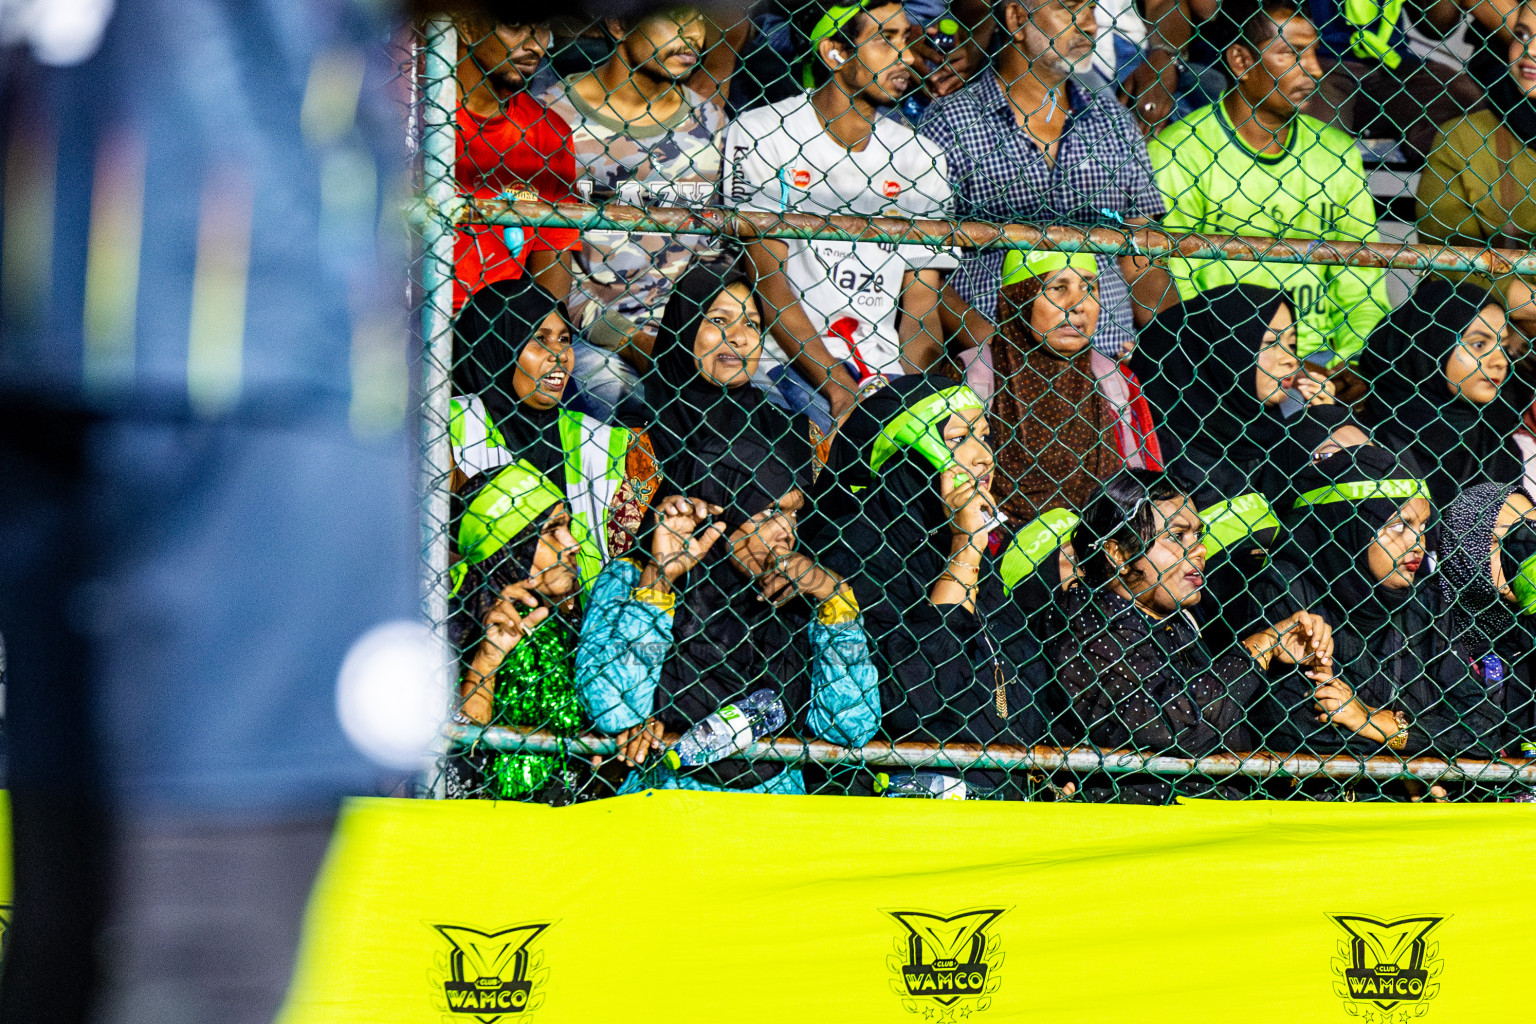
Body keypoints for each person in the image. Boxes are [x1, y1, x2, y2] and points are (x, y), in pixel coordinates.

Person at [583, 265, 857, 791]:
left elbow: (848, 718)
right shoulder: (642, 432)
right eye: (717, 319)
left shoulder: (791, 433)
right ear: (685, 326)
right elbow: (615, 701)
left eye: (752, 323)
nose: (738, 337)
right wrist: (660, 577)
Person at [724, 0, 993, 427]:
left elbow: (920, 303)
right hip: (786, 363)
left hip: (883, 369)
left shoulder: (920, 157)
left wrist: (914, 394)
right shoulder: (762, 133)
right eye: (886, 40)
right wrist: (837, 385)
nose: (907, 57)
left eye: (907, 39)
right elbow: (769, 282)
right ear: (835, 53)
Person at [806, 375, 1045, 798]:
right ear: (905, 456)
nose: (983, 457)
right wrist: (964, 550)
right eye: (957, 440)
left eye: (985, 437)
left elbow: (1025, 688)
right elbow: (914, 698)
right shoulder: (852, 549)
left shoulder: (969, 552)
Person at [1052, 470, 1334, 803]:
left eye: (1198, 535)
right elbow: (1176, 727)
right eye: (1177, 536)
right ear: (1118, 554)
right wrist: (1259, 648)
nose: (1199, 549)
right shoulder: (1089, 622)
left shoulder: (1178, 621)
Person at [918, 0, 1172, 359]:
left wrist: (1168, 346)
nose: (1090, 25)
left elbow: (1143, 261)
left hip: (1111, 359)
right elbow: (924, 273)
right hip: (995, 362)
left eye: (1091, 10)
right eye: (1069, 8)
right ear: (1017, 19)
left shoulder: (1112, 121)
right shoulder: (952, 122)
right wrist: (995, 348)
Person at [1148, 0, 1391, 373]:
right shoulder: (1179, 152)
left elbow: (1363, 285)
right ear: (1241, 62)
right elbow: (1178, 287)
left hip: (1322, 358)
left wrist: (1352, 363)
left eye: (1314, 52)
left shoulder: (1336, 153)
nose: (1313, 69)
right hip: (1223, 359)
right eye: (1291, 53)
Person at [538, 7, 733, 422]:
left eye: (698, 17)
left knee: (769, 395)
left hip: (694, 327)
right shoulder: (552, 117)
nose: (693, 34)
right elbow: (546, 264)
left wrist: (708, 330)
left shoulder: (709, 120)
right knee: (615, 391)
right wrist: (628, 340)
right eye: (673, 15)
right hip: (596, 334)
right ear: (618, 21)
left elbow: (715, 251)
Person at [1256, 447, 1475, 778]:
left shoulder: (1426, 603)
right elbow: (1297, 729)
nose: (1419, 543)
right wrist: (1426, 745)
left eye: (1424, 525)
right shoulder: (1286, 586)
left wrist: (1375, 722)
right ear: (1349, 523)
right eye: (1400, 524)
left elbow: (1482, 727)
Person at [449, 278, 659, 590]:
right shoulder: (447, 425)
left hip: (586, 622)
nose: (559, 353)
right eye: (539, 338)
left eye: (564, 339)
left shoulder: (599, 440)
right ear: (496, 343)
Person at [445, 463, 591, 802]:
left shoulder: (577, 619)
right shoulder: (453, 628)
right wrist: (487, 659)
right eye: (551, 531)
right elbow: (458, 767)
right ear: (510, 547)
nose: (573, 543)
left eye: (568, 526)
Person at [988, 248, 1163, 527]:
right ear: (1019, 297)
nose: (1078, 304)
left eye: (1088, 287)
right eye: (1057, 288)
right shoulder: (976, 377)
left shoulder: (1116, 383)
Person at [1130, 284, 1342, 510]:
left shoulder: (1280, 427)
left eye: (1291, 344)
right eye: (1271, 343)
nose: (1290, 359)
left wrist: (1322, 424)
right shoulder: (1164, 451)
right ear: (1220, 351)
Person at [1417, 1, 1536, 348]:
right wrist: (1523, 300)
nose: (1528, 50)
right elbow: (1446, 264)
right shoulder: (1464, 139)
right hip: (1494, 337)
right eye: (1522, 34)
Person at [453, 17, 582, 312]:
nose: (536, 45)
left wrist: (536, 337)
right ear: (468, 25)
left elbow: (553, 260)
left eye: (543, 27)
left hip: (501, 329)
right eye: (514, 24)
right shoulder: (412, 119)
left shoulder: (549, 132)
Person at [1359, 280, 1519, 512]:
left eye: (1503, 347)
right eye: (1478, 344)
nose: (1500, 361)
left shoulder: (1495, 444)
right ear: (1430, 344)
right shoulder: (1369, 441)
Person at [1298, 0, 1484, 163]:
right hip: (1322, 63)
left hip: (1392, 64)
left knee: (1469, 103)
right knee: (1320, 141)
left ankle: (1438, 193)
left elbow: (1437, 27)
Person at [1432, 483, 1536, 771]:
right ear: (1466, 548)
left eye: (1530, 533)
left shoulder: (1527, 635)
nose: (1521, 551)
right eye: (1503, 538)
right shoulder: (1427, 629)